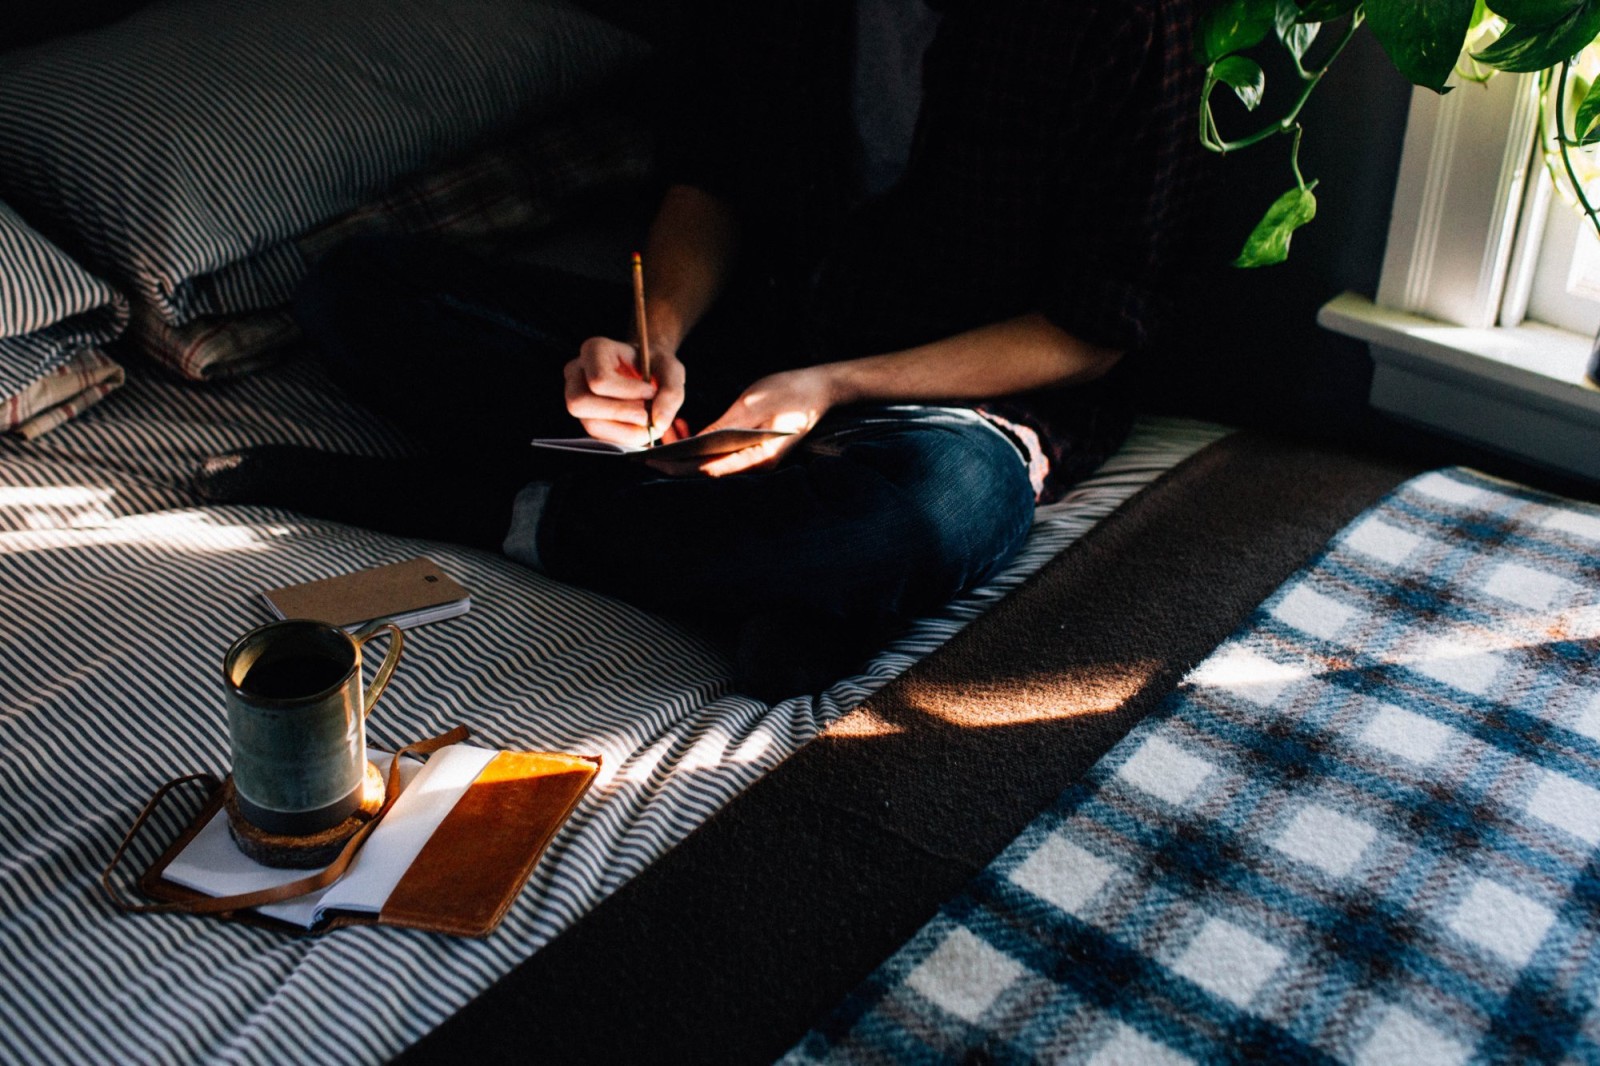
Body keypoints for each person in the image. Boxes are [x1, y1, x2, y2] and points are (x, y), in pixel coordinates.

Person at [197, 0, 1209, 697]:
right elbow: (708, 184)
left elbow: (1091, 331)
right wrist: (653, 340)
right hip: (753, 343)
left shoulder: (1120, 19)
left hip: (950, 399)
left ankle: (500, 510)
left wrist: (830, 387)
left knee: (912, 516)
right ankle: (767, 572)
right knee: (359, 287)